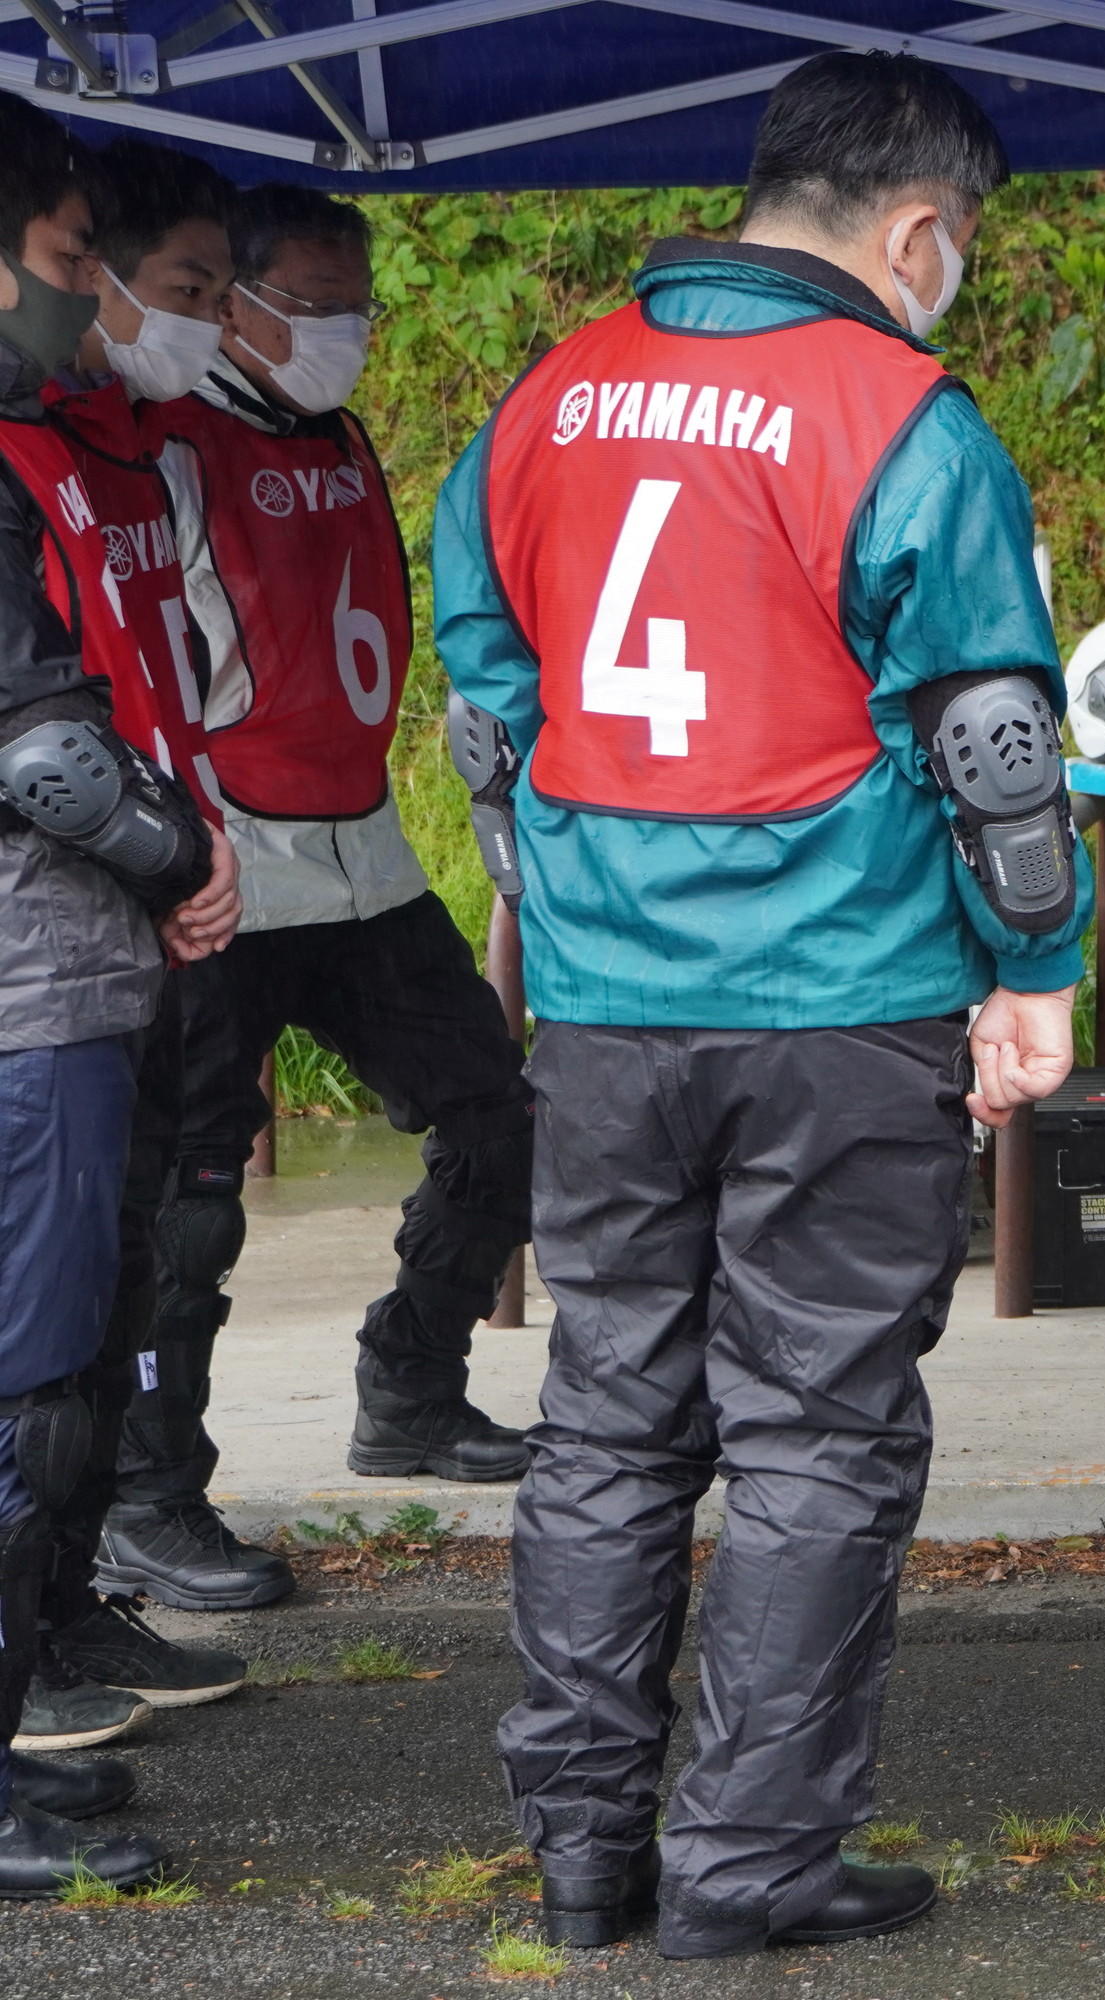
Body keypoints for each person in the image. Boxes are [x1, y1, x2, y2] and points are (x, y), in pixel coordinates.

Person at [434, 51, 1086, 1960]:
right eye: (955, 245)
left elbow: (490, 703)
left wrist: (569, 896)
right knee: (815, 1428)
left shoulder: (548, 394)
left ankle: (581, 1861)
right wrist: (1032, 970)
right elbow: (994, 735)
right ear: (913, 228)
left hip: (609, 1006)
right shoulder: (902, 414)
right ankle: (749, 1866)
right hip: (842, 1000)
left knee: (609, 1415)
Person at [135, 181, 537, 1591]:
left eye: (356, 307)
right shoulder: (166, 442)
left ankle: (410, 1390)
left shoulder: (344, 433)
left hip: (360, 853)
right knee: (187, 1201)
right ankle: (148, 1494)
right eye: (311, 308)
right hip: (226, 863)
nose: (342, 335)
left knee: (501, 1117)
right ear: (231, 302)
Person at [0, 96, 231, 1899]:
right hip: (31, 988)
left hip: (52, 986)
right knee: (32, 1390)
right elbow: (51, 765)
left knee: (51, 1369)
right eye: (73, 258)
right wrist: (178, 852)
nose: (81, 295)